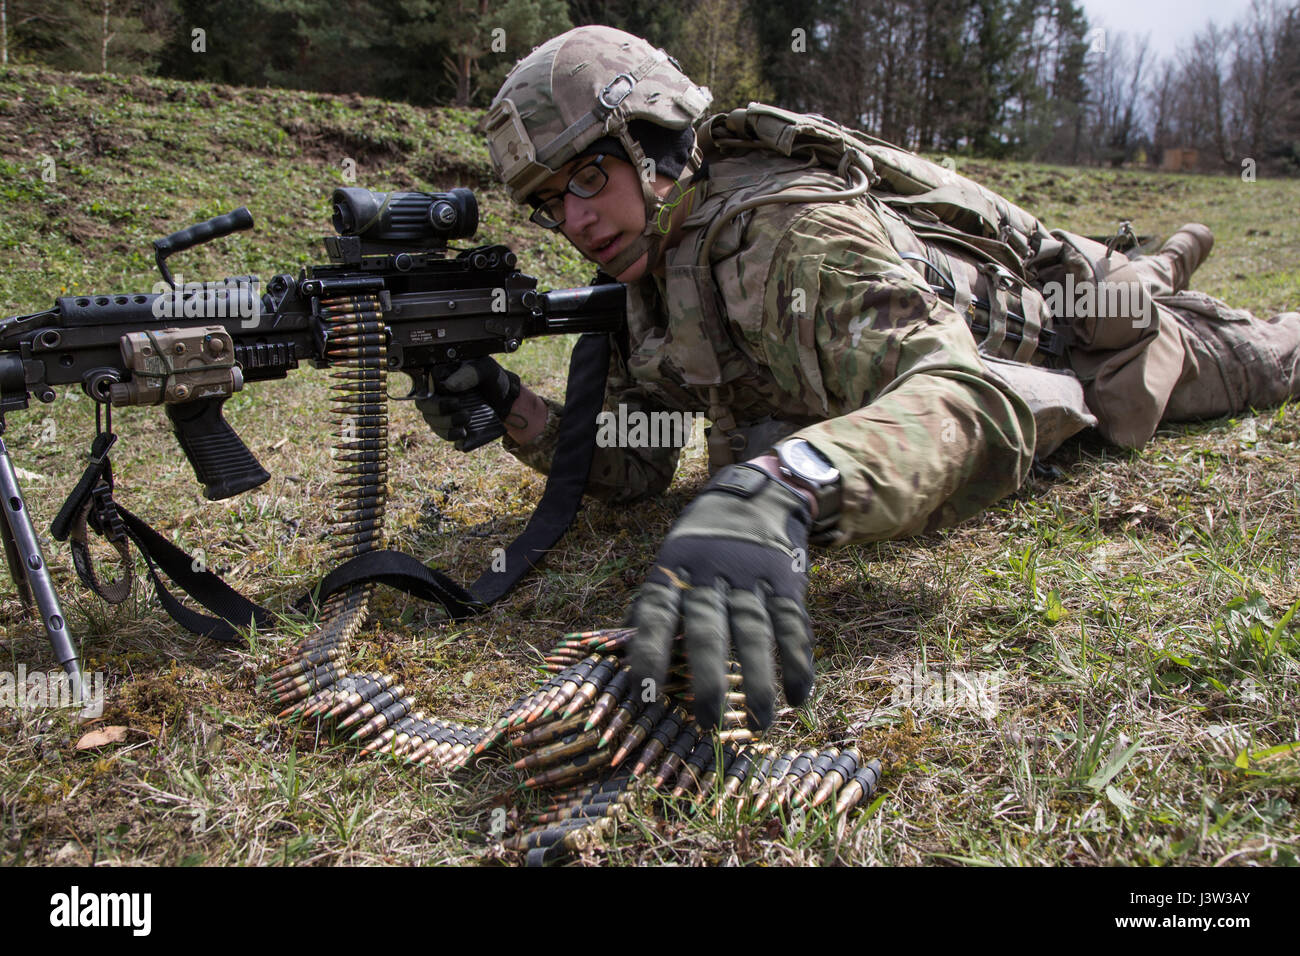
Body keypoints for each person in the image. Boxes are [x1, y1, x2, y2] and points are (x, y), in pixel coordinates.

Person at [418, 25, 1300, 732]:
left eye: (586, 177)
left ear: (651, 140)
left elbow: (965, 395)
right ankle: (1168, 255)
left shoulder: (789, 237)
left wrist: (786, 490)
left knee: (1267, 355)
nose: (573, 219)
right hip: (1033, 334)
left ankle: (1174, 263)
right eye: (547, 200)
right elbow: (638, 466)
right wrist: (513, 408)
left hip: (1081, 345)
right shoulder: (647, 277)